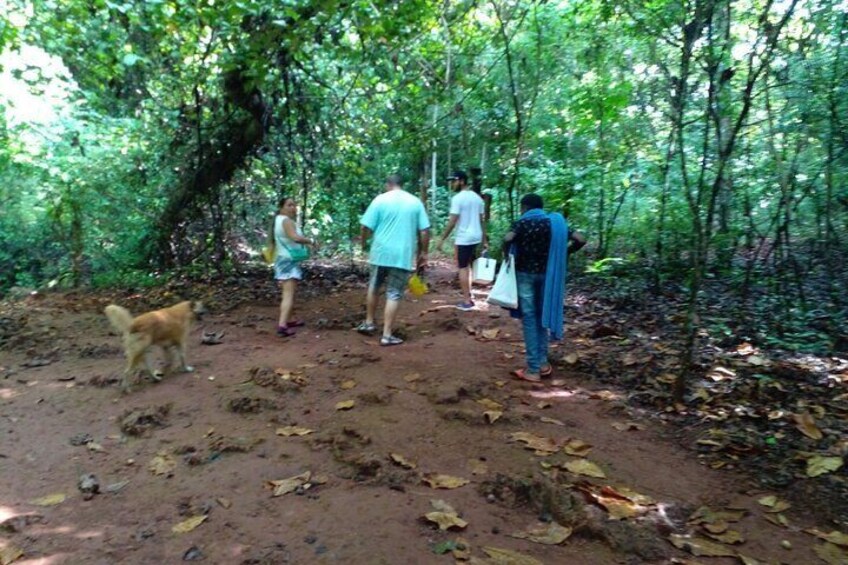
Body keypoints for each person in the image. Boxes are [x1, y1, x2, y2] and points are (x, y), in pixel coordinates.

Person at [502, 193, 586, 382]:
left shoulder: (522, 223)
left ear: (525, 207)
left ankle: (533, 369)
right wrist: (565, 252)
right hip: (548, 276)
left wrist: (507, 257)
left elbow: (508, 239)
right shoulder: (554, 223)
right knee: (542, 318)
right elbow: (580, 239)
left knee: (530, 319)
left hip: (525, 274)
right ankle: (542, 363)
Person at [357, 174, 430, 346]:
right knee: (394, 293)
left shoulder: (380, 200)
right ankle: (387, 335)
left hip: (380, 252)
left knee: (374, 287)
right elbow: (425, 231)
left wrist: (364, 244)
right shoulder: (414, 202)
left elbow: (364, 227)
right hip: (402, 255)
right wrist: (423, 253)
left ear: (388, 184)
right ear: (401, 184)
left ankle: (368, 323)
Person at [435, 170, 487, 311]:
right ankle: (469, 296)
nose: (452, 184)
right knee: (468, 266)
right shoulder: (477, 198)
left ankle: (467, 301)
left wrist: (441, 238)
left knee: (462, 267)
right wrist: (484, 239)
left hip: (464, 237)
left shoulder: (458, 199)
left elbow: (452, 221)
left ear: (461, 181)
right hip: (475, 236)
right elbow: (482, 220)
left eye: (454, 181)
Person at [273, 196, 316, 337]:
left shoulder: (279, 220)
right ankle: (282, 325)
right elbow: (295, 237)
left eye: (294, 205)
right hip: (288, 260)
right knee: (288, 294)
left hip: (282, 258)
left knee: (289, 292)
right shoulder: (285, 221)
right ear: (282, 207)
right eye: (289, 205)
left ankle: (289, 320)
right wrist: (310, 241)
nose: (293, 207)